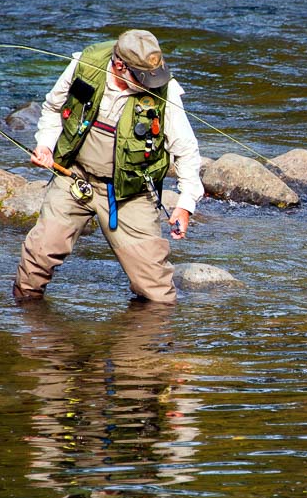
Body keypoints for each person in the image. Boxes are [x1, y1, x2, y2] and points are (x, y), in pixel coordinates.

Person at [13, 29, 203, 304]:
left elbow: (186, 150)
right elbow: (52, 109)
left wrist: (185, 204)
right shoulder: (84, 65)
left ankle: (148, 343)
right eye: (142, 77)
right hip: (74, 178)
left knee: (156, 291)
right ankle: (29, 329)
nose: (151, 83)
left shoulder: (165, 88)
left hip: (131, 192)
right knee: (37, 258)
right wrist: (44, 145)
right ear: (119, 65)